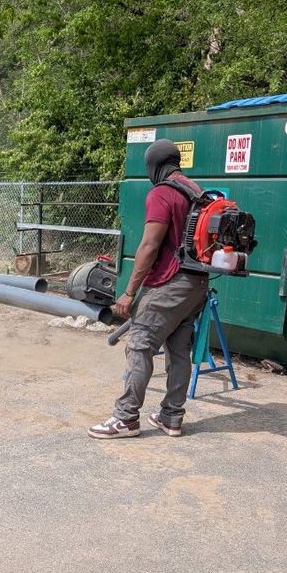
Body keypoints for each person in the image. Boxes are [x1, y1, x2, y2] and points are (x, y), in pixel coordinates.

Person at [88, 139, 209, 439]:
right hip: (197, 285)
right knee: (179, 351)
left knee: (140, 345)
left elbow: (149, 245)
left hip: (168, 284)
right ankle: (171, 417)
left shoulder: (162, 194)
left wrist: (129, 292)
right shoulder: (197, 193)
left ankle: (126, 417)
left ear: (154, 166)